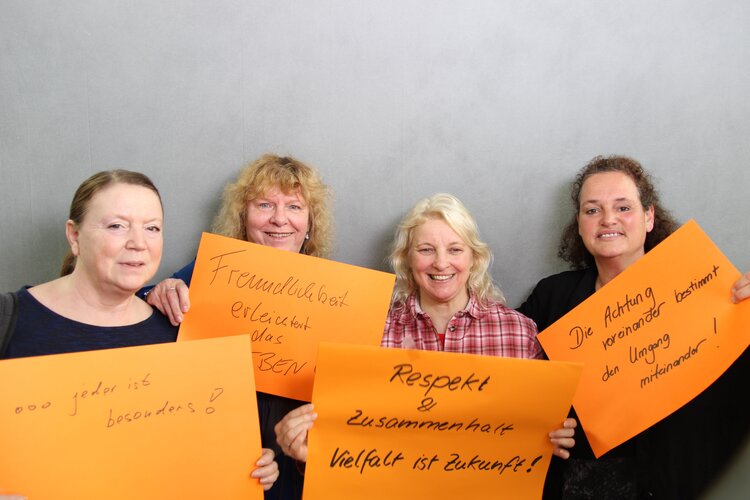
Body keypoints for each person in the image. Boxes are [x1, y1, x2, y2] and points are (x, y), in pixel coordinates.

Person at [0, 170, 278, 495]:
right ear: (74, 236)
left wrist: (251, 465)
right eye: (117, 226)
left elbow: (196, 452)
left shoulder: (181, 334)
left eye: (152, 228)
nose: (138, 243)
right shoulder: (8, 319)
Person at [274, 193, 577, 467]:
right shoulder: (370, 335)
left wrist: (553, 436)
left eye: (455, 249)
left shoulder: (518, 333)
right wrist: (306, 453)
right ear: (407, 259)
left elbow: (536, 437)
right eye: (426, 250)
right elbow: (342, 446)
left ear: (474, 258)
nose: (441, 263)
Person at [517, 155, 750, 499]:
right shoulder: (552, 296)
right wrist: (536, 425)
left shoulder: (706, 289)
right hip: (582, 485)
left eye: (623, 207)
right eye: (592, 210)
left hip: (685, 479)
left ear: (649, 217)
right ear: (579, 225)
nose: (608, 219)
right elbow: (506, 378)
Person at [141, 154, 333, 500]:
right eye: (264, 204)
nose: (279, 219)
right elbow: (133, 324)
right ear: (242, 217)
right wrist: (155, 292)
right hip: (216, 461)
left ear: (310, 223)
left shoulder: (337, 294)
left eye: (294, 207)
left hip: (300, 467)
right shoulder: (208, 273)